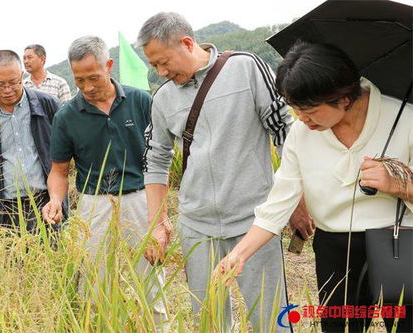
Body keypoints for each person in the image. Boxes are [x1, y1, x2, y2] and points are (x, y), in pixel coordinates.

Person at [218, 42, 413, 332]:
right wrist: (239, 254)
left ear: (344, 98)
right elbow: (278, 203)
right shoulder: (301, 133)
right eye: (294, 108)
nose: (300, 118)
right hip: (334, 248)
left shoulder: (405, 119)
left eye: (309, 110)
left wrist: (400, 184)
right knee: (337, 326)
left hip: (399, 244)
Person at [137, 12, 297, 332]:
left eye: (164, 62)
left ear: (187, 43)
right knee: (208, 318)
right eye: (154, 66)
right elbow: (155, 159)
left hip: (253, 218)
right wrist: (158, 220)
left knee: (270, 316)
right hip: (196, 225)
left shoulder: (246, 67)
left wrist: (295, 200)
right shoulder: (163, 97)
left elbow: (284, 132)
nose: (161, 72)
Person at [41, 35, 168, 328]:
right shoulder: (66, 116)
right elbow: (59, 170)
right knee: (95, 281)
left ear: (109, 65)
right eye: (79, 80)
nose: (87, 87)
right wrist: (56, 200)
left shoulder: (140, 101)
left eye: (93, 77)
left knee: (151, 277)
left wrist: (161, 215)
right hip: (94, 204)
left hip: (140, 198)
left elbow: (160, 157)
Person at [0, 50, 64, 232]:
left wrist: (56, 196)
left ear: (21, 75)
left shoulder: (47, 104)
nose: (7, 90)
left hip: (46, 201)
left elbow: (64, 150)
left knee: (54, 256)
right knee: (13, 259)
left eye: (13, 82)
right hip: (4, 208)